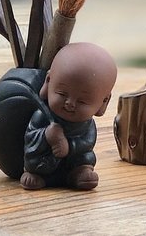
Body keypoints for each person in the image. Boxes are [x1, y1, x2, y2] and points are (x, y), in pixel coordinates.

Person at [20, 42, 117, 190]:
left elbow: (87, 143)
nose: (70, 103)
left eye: (82, 101)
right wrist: (46, 135)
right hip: (45, 160)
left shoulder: (87, 124)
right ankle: (34, 174)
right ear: (48, 81)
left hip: (73, 161)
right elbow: (30, 137)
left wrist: (69, 147)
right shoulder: (42, 116)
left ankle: (79, 173)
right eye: (62, 94)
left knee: (86, 157)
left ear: (104, 102)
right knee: (34, 159)